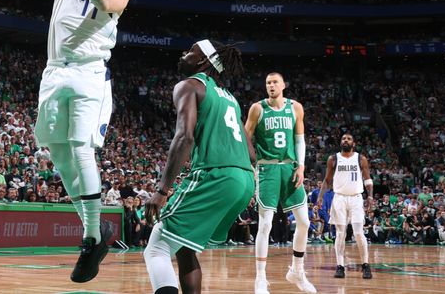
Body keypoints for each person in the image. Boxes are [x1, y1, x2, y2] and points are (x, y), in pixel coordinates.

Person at [34, 0, 132, 284]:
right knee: (57, 154)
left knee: (79, 149)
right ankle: (95, 230)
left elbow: (107, 3)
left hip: (90, 74)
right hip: (54, 72)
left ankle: (92, 236)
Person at [144, 40, 256, 294]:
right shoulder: (230, 99)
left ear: (204, 60)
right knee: (185, 248)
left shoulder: (189, 86)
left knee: (157, 249)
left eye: (190, 51)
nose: (184, 53)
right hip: (244, 180)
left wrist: (162, 191)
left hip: (216, 175)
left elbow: (184, 137)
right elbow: (251, 154)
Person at [244, 72, 315, 294]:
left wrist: (301, 165)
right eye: (268, 83)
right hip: (268, 168)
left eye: (275, 82)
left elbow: (299, 139)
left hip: (290, 168)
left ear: (284, 85)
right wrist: (251, 165)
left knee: (304, 222)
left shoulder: (296, 107)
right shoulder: (257, 108)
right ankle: (260, 279)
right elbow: (245, 138)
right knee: (265, 224)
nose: (271, 85)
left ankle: (297, 271)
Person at [317, 133, 374, 280]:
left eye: (349, 139)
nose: (346, 140)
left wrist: (370, 196)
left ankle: (365, 265)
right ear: (340, 142)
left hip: (356, 198)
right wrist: (320, 197)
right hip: (340, 198)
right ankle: (340, 266)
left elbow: (367, 179)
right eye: (343, 139)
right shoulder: (333, 159)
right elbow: (327, 180)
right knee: (340, 233)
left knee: (359, 233)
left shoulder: (360, 159)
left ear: (353, 143)